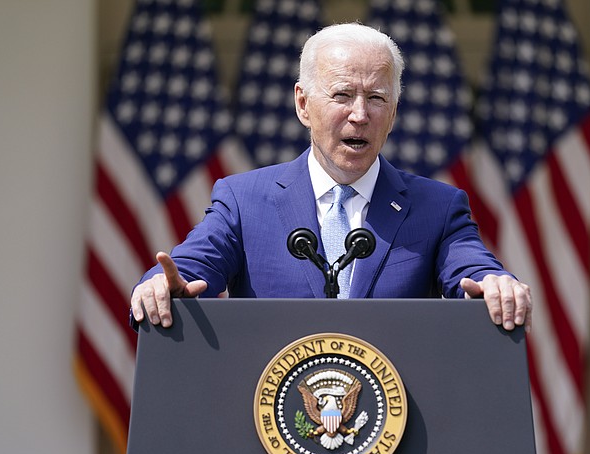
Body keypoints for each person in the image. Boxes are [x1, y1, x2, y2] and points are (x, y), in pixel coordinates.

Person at [130, 22, 531, 332]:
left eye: (377, 98)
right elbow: (191, 266)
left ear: (392, 114)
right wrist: (160, 288)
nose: (360, 114)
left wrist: (494, 283)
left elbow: (473, 270)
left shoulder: (437, 208)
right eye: (342, 95)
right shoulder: (243, 200)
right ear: (303, 104)